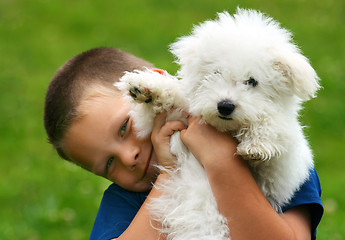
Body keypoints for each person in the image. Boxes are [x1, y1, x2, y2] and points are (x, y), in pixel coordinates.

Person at [44, 47, 323, 240]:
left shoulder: (274, 154)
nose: (129, 157)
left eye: (124, 128)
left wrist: (222, 161)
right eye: (108, 164)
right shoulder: (125, 202)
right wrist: (169, 173)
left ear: (151, 88)